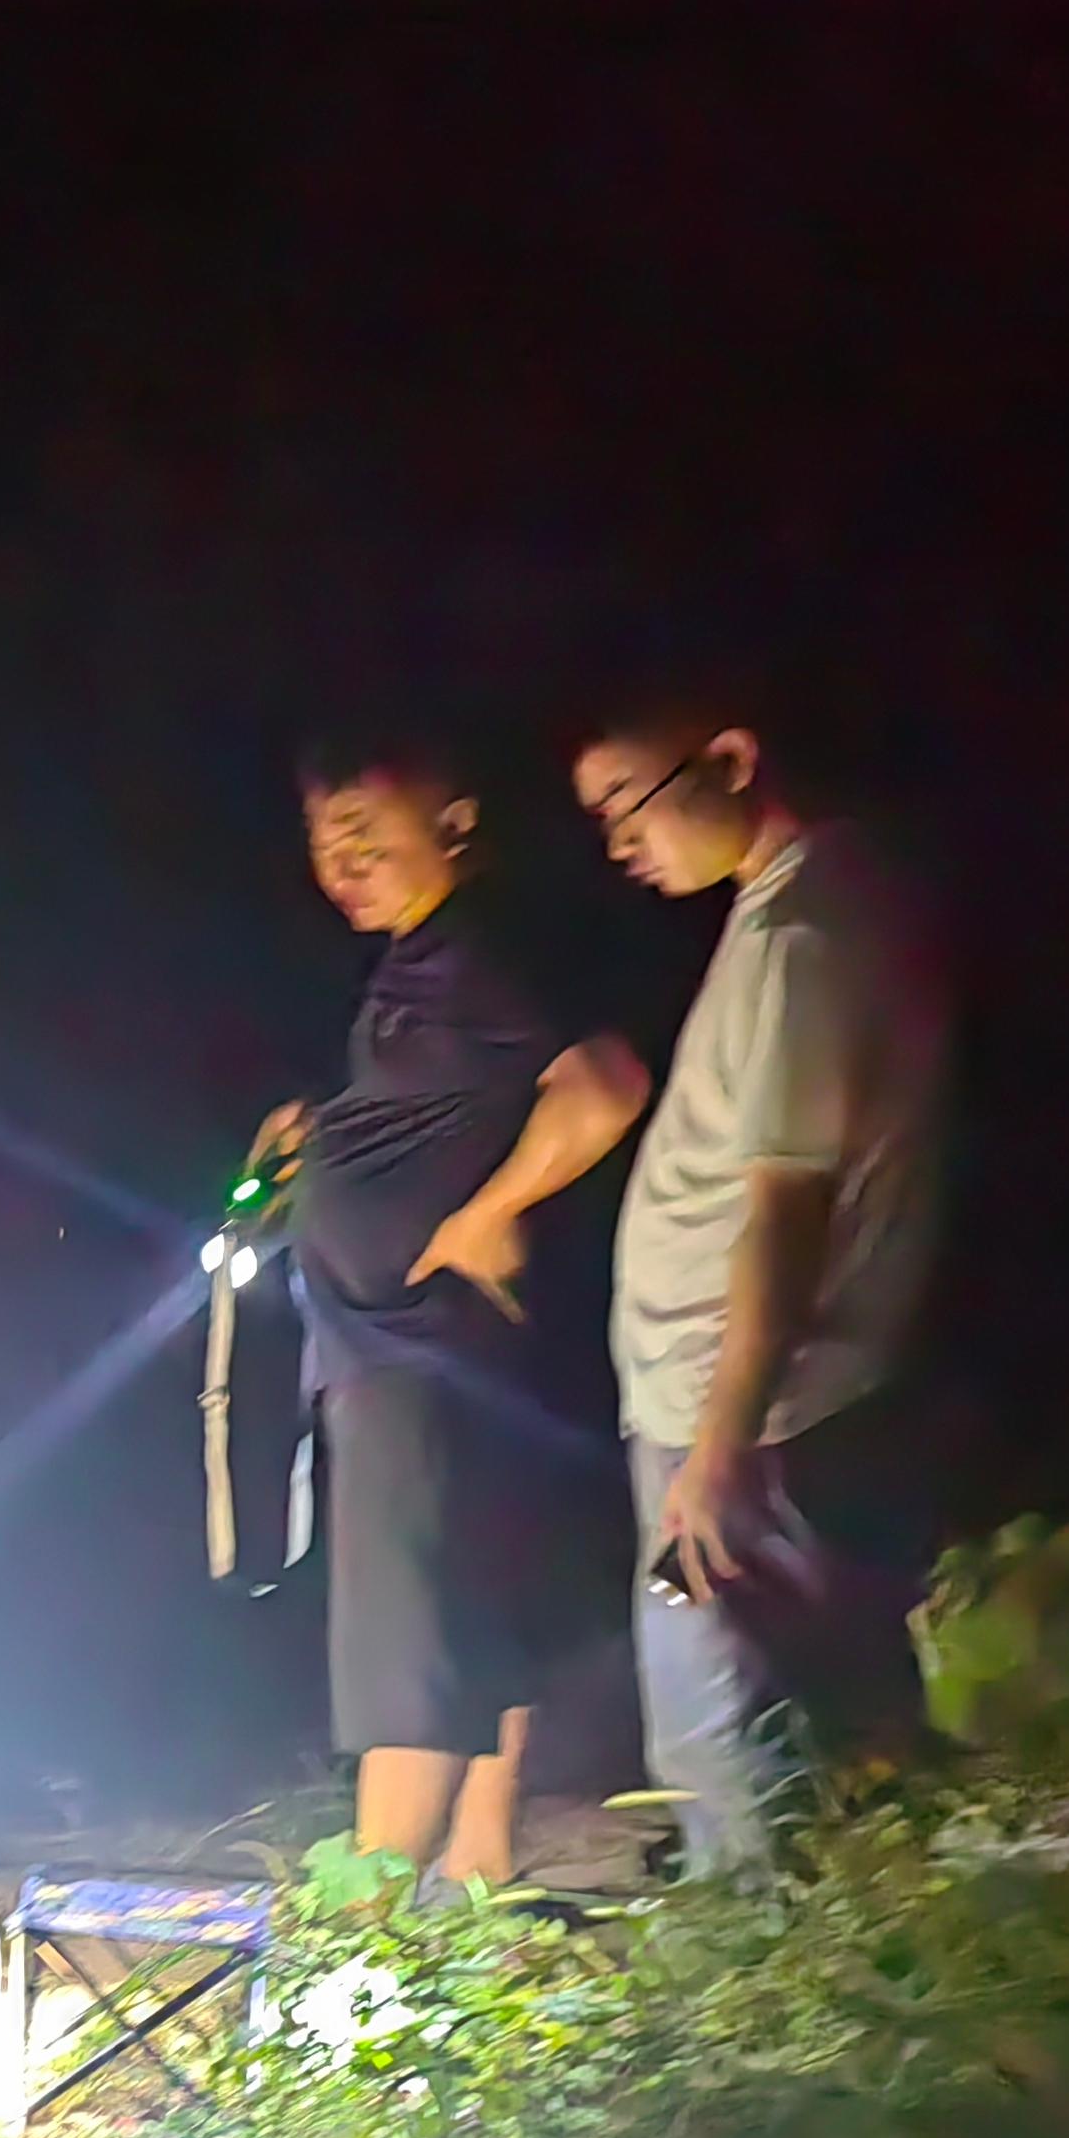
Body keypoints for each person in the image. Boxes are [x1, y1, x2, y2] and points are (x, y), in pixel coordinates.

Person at [253, 740, 650, 1888]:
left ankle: (366, 1911)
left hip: (413, 1354)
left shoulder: (478, 951)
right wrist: (328, 1133)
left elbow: (605, 1086)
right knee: (469, 1614)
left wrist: (491, 1212)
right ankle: (477, 1870)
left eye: (364, 833)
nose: (342, 865)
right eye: (324, 842)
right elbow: (451, 1105)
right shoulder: (425, 963)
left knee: (408, 1646)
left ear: (458, 823)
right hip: (406, 1352)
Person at [576, 696, 948, 1879]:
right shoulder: (804, 906)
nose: (618, 844)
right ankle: (834, 1938)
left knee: (723, 1730)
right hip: (739, 1405)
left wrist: (721, 1444)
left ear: (732, 759)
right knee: (796, 1720)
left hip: (742, 1411)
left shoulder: (802, 933)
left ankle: (757, 1962)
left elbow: (788, 1207)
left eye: (625, 803)